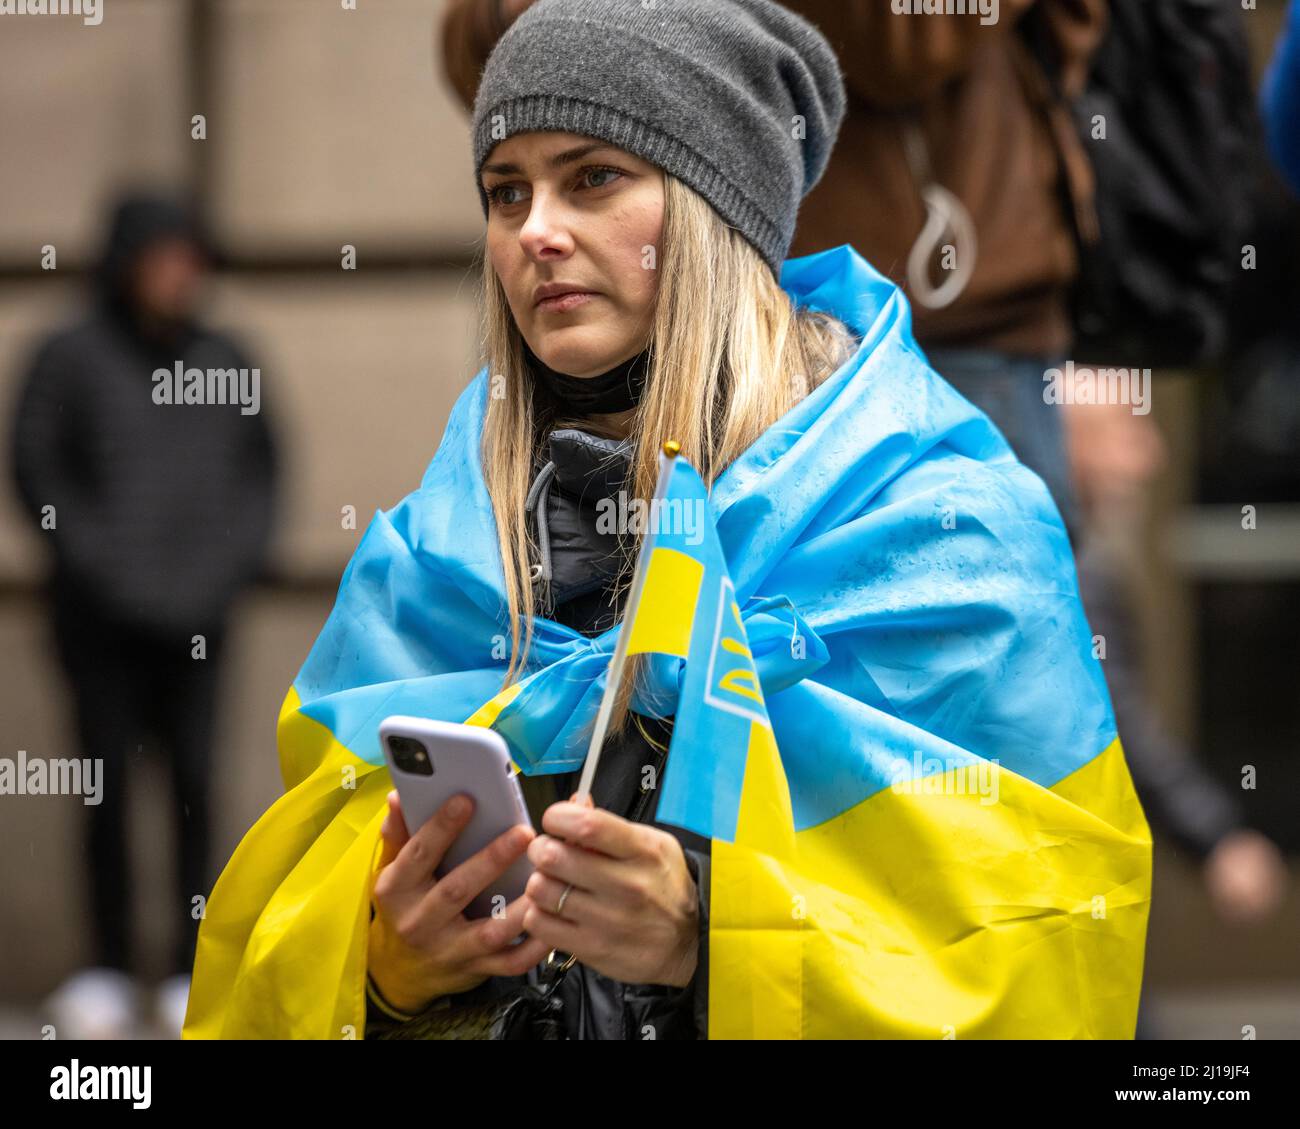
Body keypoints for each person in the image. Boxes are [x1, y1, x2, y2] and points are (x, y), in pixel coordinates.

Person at [185, 0, 1150, 1041]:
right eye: (506, 193)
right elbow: (283, 936)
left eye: (592, 176)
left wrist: (709, 935)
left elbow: (1037, 948)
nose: (535, 231)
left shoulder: (947, 521)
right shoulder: (436, 547)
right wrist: (394, 973)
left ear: (711, 203)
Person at [9, 192, 280, 1038]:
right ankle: (105, 967)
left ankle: (189, 966)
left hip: (199, 625)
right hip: (100, 628)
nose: (178, 277)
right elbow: (40, 474)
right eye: (163, 258)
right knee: (105, 789)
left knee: (196, 787)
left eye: (189, 259)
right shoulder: (69, 356)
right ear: (127, 263)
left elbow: (260, 477)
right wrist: (114, 578)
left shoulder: (227, 355)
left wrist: (217, 577)